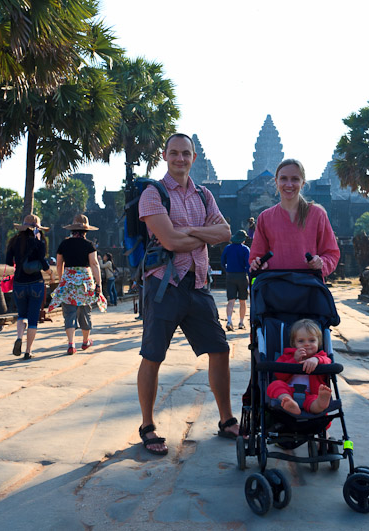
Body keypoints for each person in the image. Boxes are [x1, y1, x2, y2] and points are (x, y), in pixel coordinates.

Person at [135, 132, 237, 455]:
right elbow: (170, 242)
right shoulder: (153, 195)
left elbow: (225, 232)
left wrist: (190, 231)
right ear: (164, 156)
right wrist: (200, 236)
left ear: (194, 158)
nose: (180, 159)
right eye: (174, 153)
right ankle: (148, 425)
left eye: (186, 154)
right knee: (153, 356)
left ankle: (226, 419)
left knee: (220, 350)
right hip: (164, 285)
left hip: (198, 285)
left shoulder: (204, 196)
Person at [249, 158, 340, 277]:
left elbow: (331, 254)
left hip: (308, 287)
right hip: (275, 287)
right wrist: (258, 264)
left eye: (295, 179)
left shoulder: (317, 214)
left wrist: (321, 262)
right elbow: (256, 256)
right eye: (283, 179)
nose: (289, 184)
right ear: (276, 182)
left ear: (303, 183)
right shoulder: (265, 218)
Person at [48, 214, 106, 355]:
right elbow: (94, 264)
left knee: (69, 313)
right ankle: (85, 341)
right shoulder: (89, 245)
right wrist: (98, 284)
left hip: (68, 279)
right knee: (85, 312)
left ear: (72, 230)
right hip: (85, 282)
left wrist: (62, 280)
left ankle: (71, 344)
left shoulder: (64, 244)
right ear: (86, 231)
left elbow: (59, 264)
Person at [5, 214, 50, 360]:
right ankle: (28, 351)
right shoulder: (39, 242)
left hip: (19, 283)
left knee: (21, 315)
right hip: (36, 282)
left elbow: (9, 263)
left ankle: (19, 337)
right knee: (32, 319)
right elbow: (42, 259)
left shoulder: (14, 241)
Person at [266, 319, 333, 415]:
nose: (307, 344)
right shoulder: (287, 356)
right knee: (275, 385)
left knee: (314, 401)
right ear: (294, 344)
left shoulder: (321, 356)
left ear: (319, 343)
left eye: (312, 340)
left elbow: (328, 362)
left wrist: (316, 360)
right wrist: (294, 360)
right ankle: (289, 402)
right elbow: (279, 375)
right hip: (289, 391)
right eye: (301, 341)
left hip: (311, 393)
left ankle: (320, 403)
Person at [221, 229, 250, 331]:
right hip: (242, 276)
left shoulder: (227, 248)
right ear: (243, 239)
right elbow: (248, 265)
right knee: (243, 301)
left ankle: (229, 321)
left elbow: (222, 262)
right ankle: (241, 322)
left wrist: (227, 271)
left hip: (230, 276)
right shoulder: (245, 249)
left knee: (231, 300)